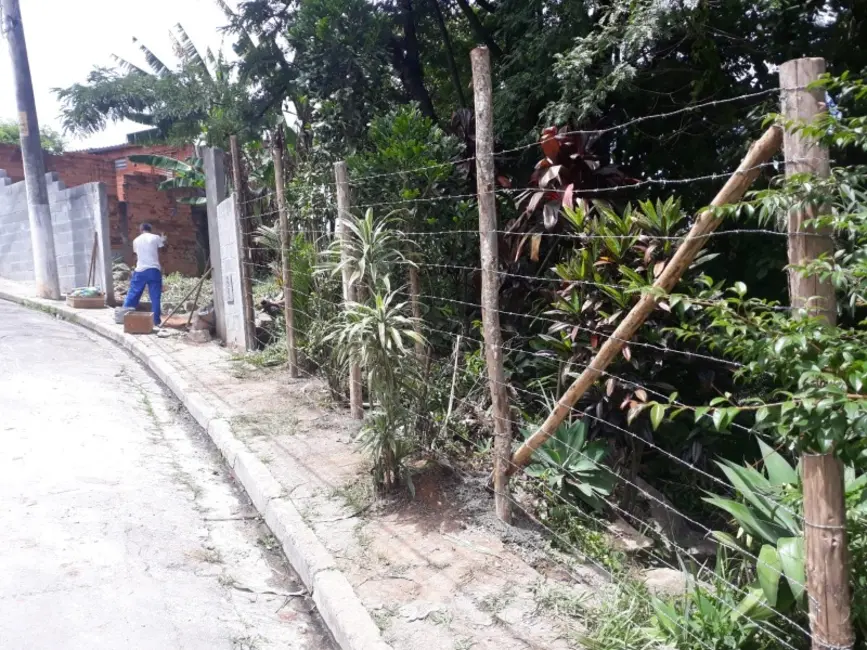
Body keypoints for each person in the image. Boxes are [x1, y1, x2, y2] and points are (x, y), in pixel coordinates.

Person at [123, 223, 167, 326]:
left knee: (133, 294)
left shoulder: (136, 240)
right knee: (155, 297)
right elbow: (162, 249)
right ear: (150, 229)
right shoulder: (156, 237)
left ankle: (124, 316)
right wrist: (163, 239)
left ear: (141, 230)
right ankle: (155, 321)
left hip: (140, 270)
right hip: (154, 270)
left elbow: (137, 253)